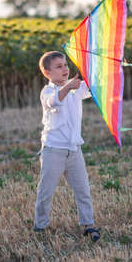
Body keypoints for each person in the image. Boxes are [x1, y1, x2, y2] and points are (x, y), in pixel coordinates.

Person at [33, 51, 100, 242]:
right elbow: (54, 101)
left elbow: (94, 86)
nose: (65, 69)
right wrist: (69, 86)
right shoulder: (47, 92)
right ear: (47, 73)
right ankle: (40, 226)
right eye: (59, 66)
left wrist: (111, 68)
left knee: (83, 191)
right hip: (53, 151)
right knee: (45, 192)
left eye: (65, 65)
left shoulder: (76, 89)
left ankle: (88, 224)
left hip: (74, 151)